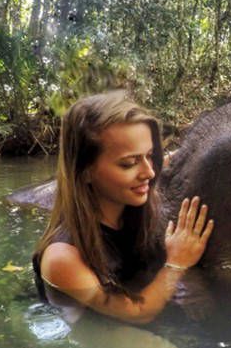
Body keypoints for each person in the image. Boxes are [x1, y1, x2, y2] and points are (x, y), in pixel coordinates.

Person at [32, 90, 214, 324]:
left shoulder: (137, 208)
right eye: (129, 163)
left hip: (137, 296)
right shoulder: (62, 257)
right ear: (85, 172)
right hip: (94, 329)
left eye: (150, 156)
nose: (149, 172)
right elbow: (137, 313)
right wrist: (177, 263)